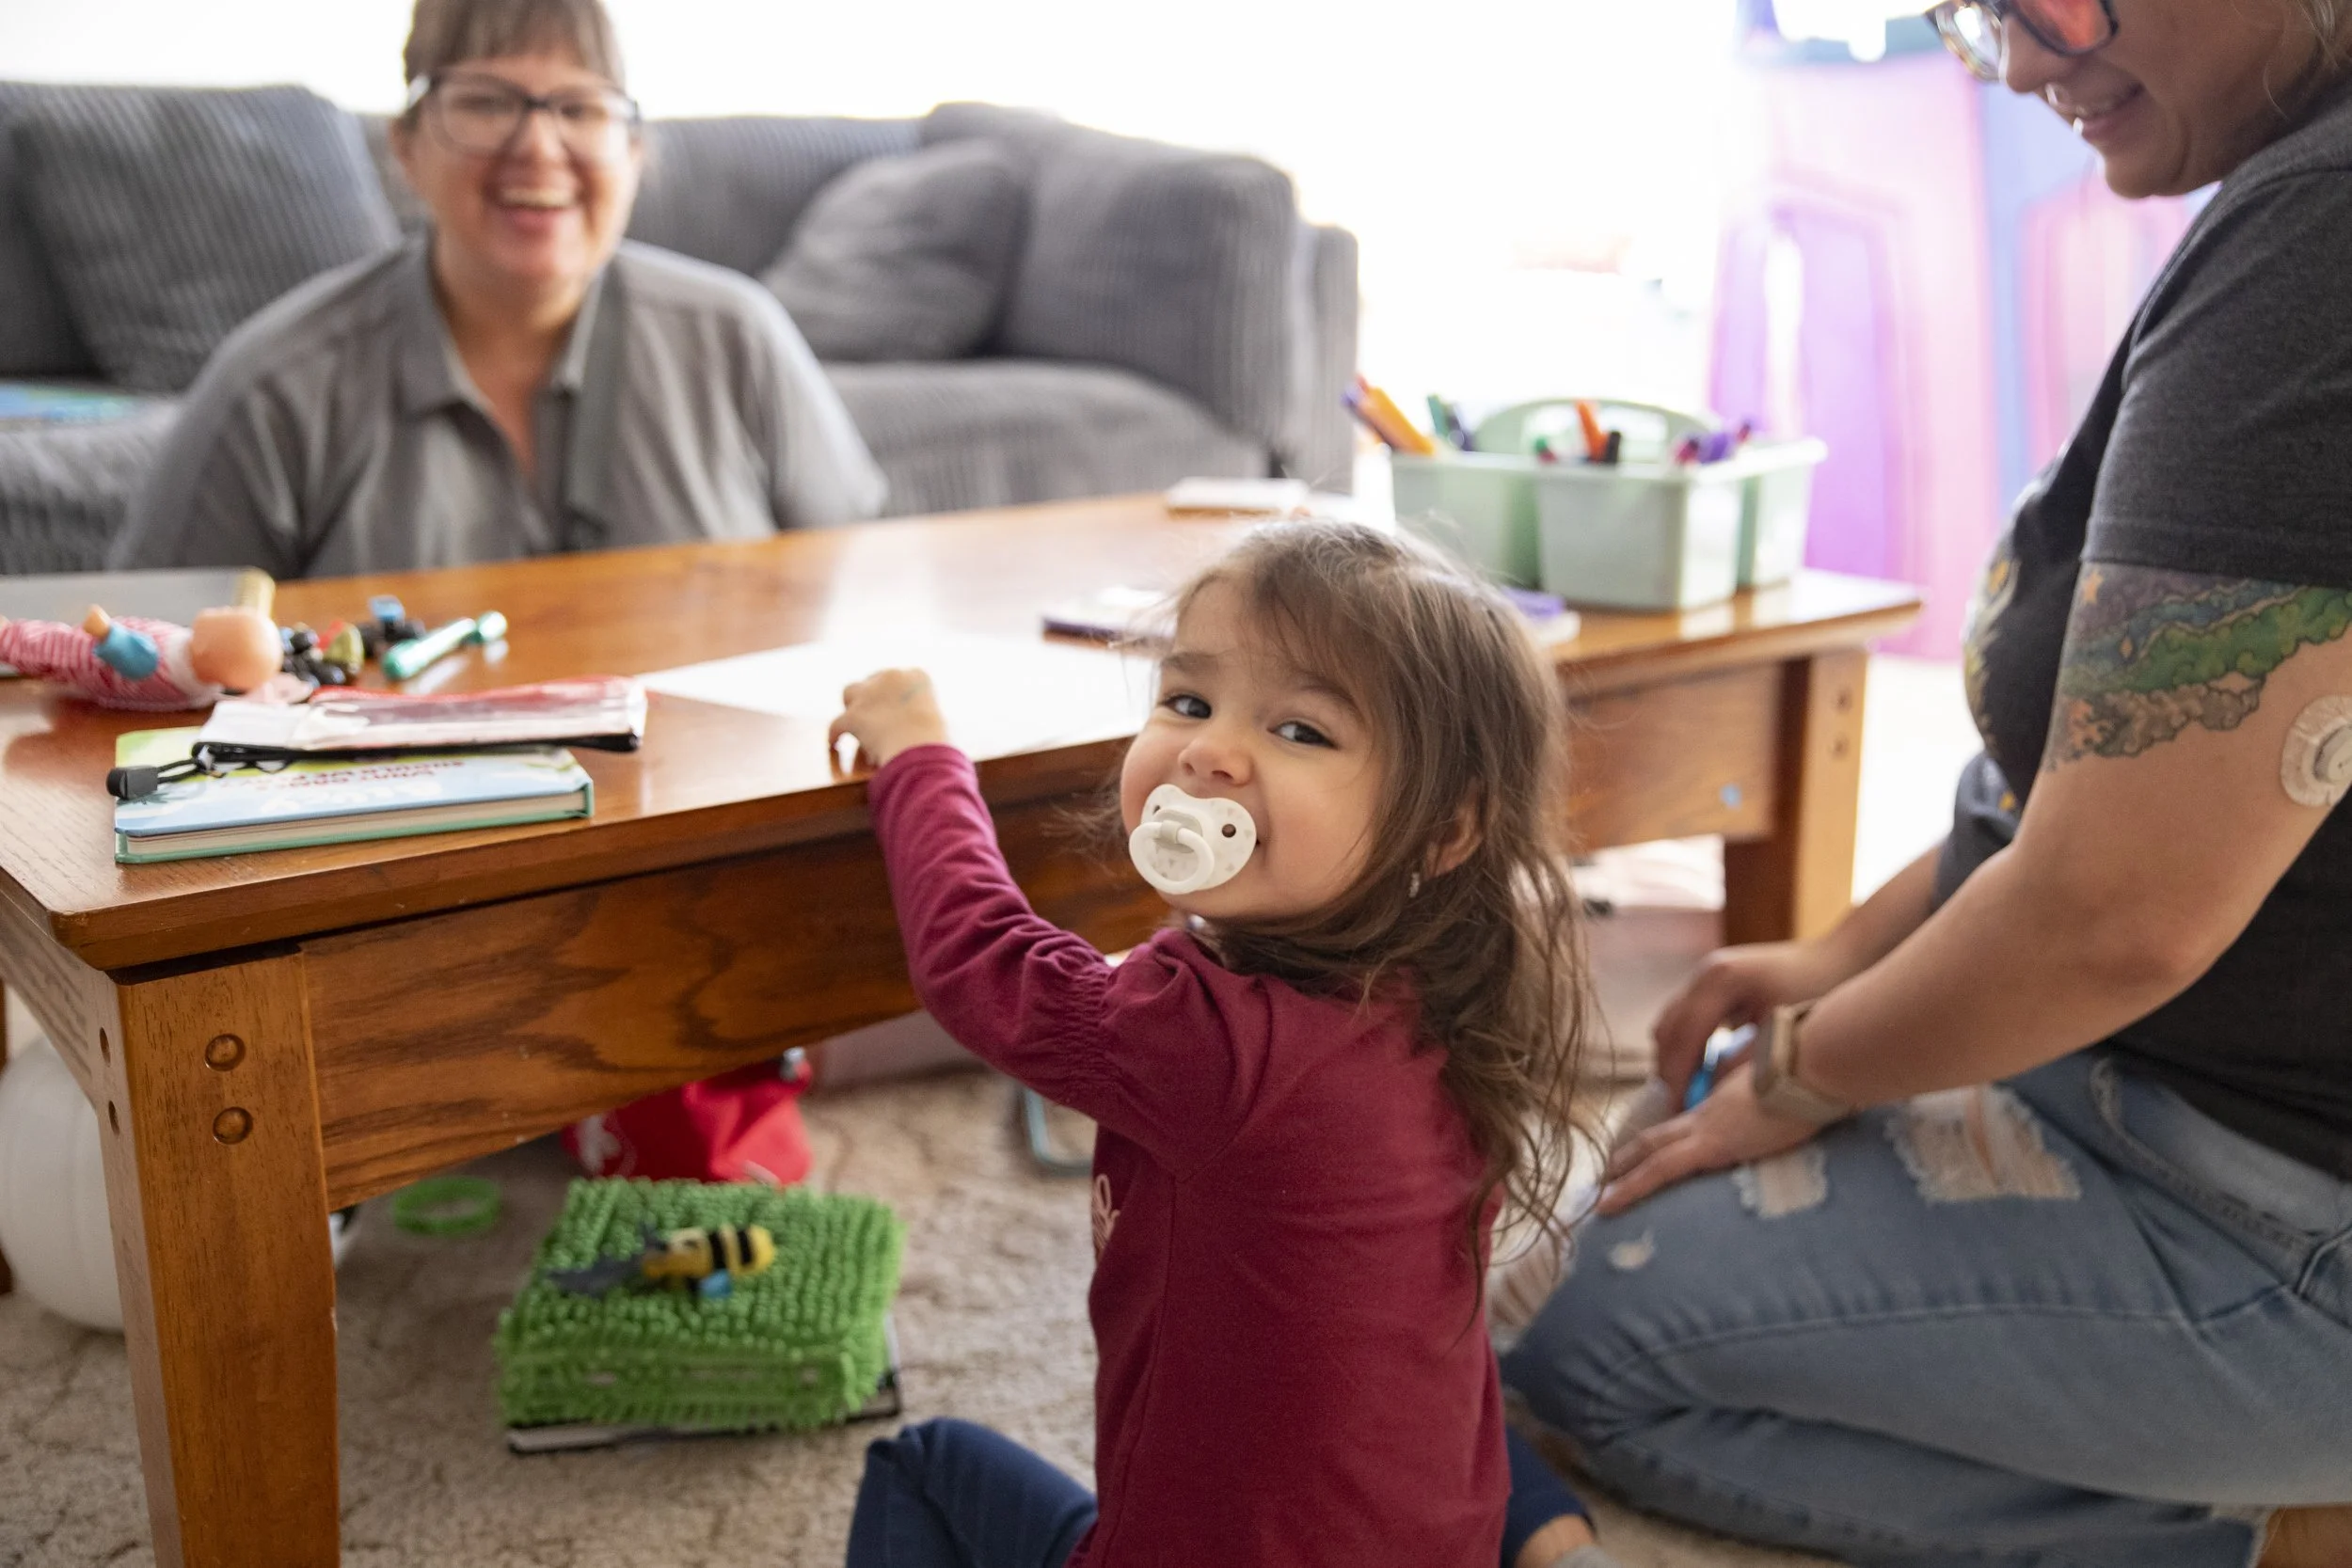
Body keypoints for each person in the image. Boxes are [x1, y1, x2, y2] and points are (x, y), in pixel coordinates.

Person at [1497, 2, 2352, 1565]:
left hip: (2287, 1209)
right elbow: (2089, 782)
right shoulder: (2285, 187)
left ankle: (2287, 1530)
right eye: (1969, 14)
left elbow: (2114, 909)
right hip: (2165, 1085)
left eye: (2052, 2)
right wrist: (1842, 967)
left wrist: (1813, 1070)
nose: (2020, 62)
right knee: (1642, 1164)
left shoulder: (2325, 240)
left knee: (1573, 1342)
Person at [826, 522, 1618, 1568]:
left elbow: (979, 958)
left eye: (1302, 730)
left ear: (1442, 829)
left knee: (926, 1464)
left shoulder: (1199, 1039)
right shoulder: (1451, 992)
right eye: (1188, 701)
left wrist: (921, 753)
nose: (1207, 749)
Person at [108, 0, 884, 577]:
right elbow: (142, 664)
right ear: (405, 147)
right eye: (486, 103)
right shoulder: (272, 387)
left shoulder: (740, 337)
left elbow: (859, 599)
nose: (538, 149)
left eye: (579, 109)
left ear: (637, 152)